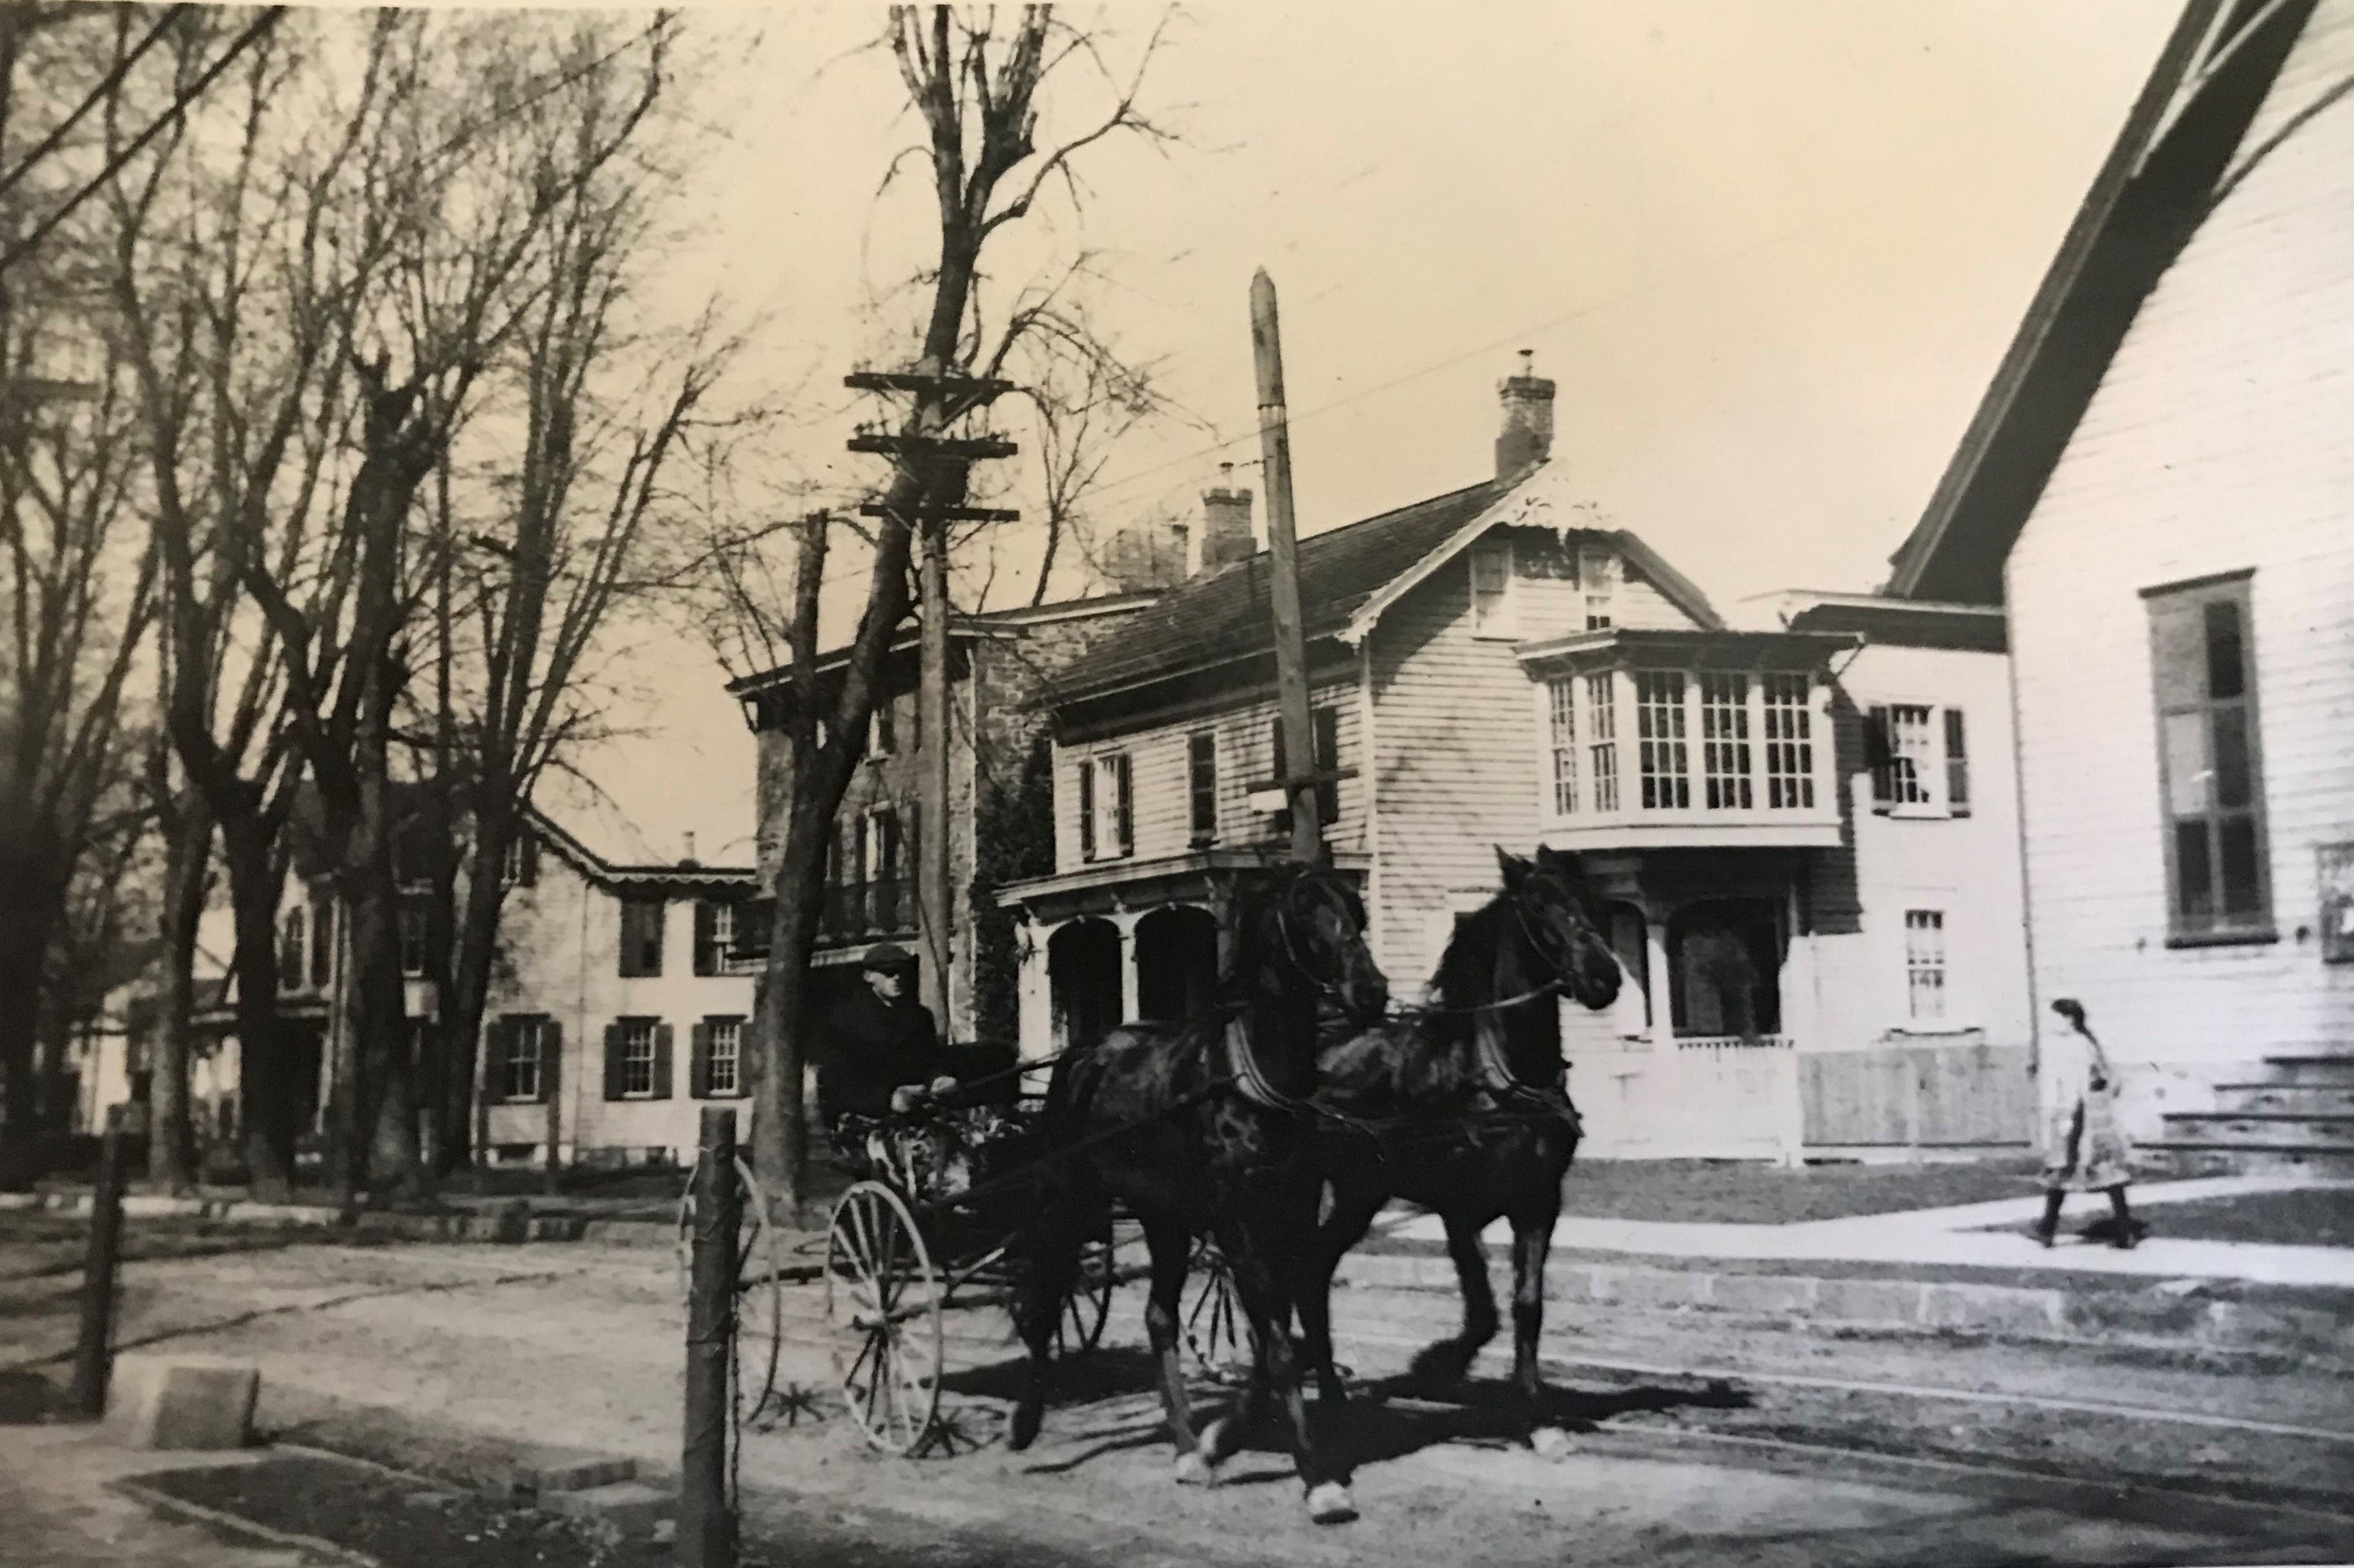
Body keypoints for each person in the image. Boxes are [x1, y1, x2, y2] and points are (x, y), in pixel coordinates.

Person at [2032, 997, 2143, 1249]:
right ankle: (2049, 1228)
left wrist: (2064, 1116)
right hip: (2089, 1113)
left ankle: (2050, 1229)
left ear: (2070, 1019)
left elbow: (2081, 1082)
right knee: (2074, 1172)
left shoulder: (2078, 1045)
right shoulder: (2074, 1044)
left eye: (2056, 1017)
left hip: (2082, 1115)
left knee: (2074, 1168)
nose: (2051, 1023)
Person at [815, 944, 957, 1131]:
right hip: (864, 1122)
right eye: (889, 972)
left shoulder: (920, 1017)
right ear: (868, 977)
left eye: (902, 972)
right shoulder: (844, 1022)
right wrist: (888, 1099)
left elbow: (929, 1061)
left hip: (918, 1115)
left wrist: (939, 1079)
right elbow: (836, 1085)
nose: (897, 978)